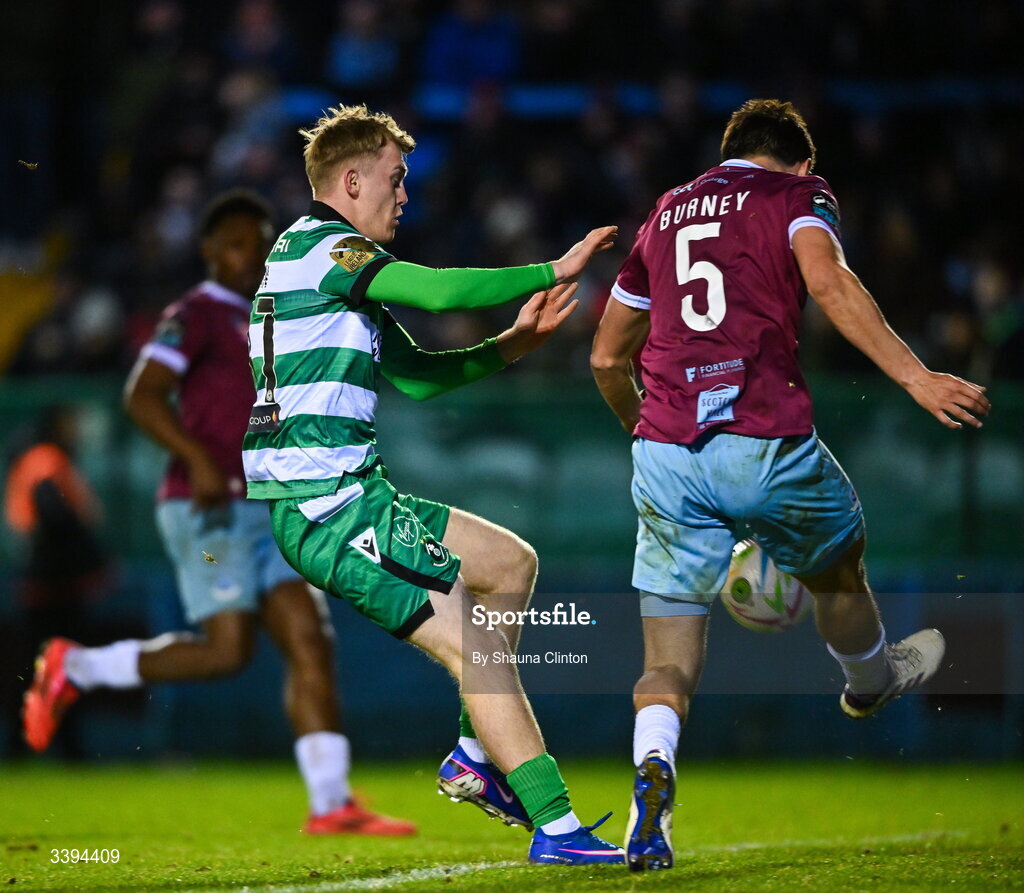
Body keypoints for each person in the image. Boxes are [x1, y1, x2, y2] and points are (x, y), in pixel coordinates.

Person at [590, 99, 992, 872]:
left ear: (727, 152)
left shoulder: (665, 213)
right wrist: (916, 376)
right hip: (764, 436)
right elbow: (829, 281)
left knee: (665, 663)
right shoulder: (798, 197)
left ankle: (655, 777)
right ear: (801, 163)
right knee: (841, 563)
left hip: (668, 450)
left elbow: (608, 358)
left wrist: (648, 434)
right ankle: (871, 677)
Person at [241, 103, 624, 865]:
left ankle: (474, 757)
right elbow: (443, 292)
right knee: (477, 646)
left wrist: (512, 344)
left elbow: (417, 377)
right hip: (329, 507)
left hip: (353, 496)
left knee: (511, 564)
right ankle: (554, 824)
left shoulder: (319, 262)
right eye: (396, 177)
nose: (405, 194)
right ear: (351, 179)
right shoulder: (329, 251)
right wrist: (556, 266)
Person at [23, 190, 415, 836]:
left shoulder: (278, 310)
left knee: (310, 640)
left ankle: (331, 802)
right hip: (206, 510)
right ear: (209, 251)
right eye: (235, 242)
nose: (249, 254)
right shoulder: (198, 313)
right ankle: (77, 665)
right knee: (224, 651)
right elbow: (141, 396)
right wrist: (198, 458)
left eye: (259, 242)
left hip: (272, 506)